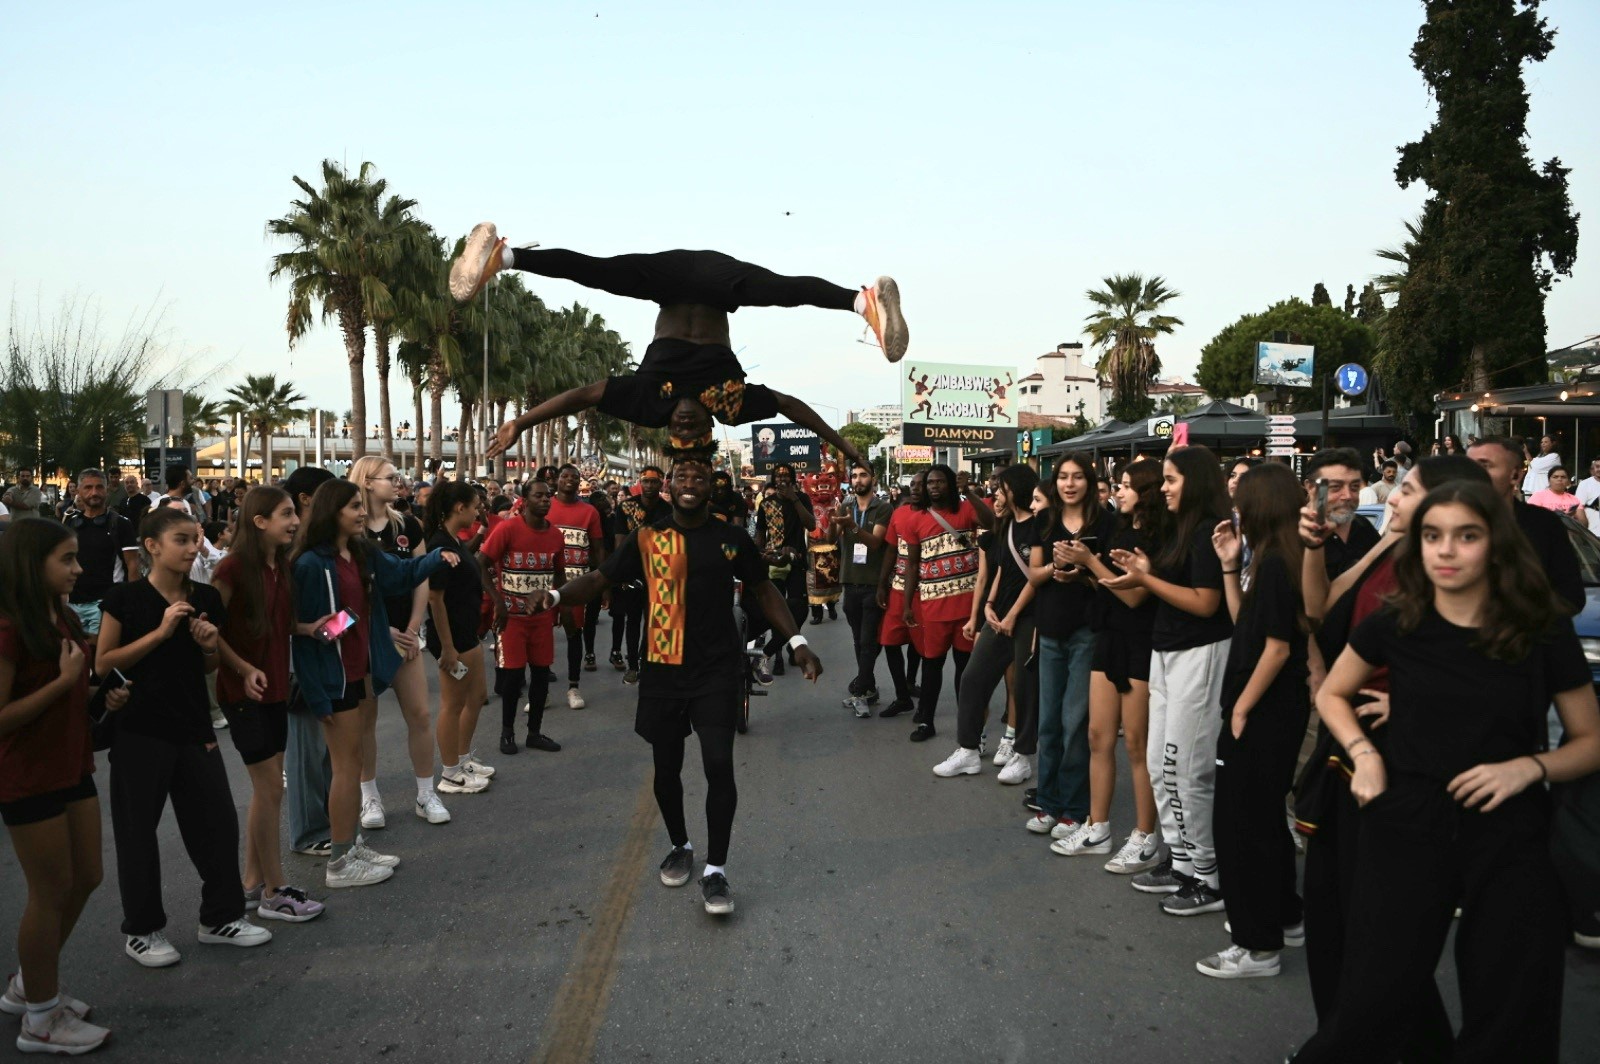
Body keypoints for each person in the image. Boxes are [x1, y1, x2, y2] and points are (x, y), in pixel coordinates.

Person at [1291, 481, 1600, 1062]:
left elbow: (1590, 742)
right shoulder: (1397, 619)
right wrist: (1364, 755)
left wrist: (1528, 769)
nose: (1447, 551)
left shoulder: (1539, 626)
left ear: (1496, 544)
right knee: (1372, 996)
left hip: (1510, 828)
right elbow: (1332, 694)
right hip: (1407, 820)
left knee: (1513, 1009)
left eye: (1467, 536)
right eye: (1433, 536)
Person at [531, 456, 823, 915]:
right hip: (664, 668)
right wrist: (552, 596)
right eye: (682, 477)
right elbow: (598, 578)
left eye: (700, 478)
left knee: (718, 766)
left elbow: (764, 589)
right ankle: (680, 844)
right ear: (668, 486)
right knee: (666, 770)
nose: (691, 484)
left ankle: (717, 870)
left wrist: (797, 641)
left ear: (712, 486)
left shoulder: (731, 538)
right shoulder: (649, 537)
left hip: (716, 670)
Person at [1295, 454, 1490, 1049]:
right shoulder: (1389, 551)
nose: (1390, 497)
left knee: (1380, 940)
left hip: (1408, 777)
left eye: (1404, 489)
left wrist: (1405, 702)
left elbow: (1487, 676)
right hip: (1352, 756)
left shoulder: (1458, 577)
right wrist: (1317, 548)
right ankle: (1342, 1034)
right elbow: (1320, 612)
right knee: (1335, 920)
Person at [469, 231, 891, 462]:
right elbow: (790, 405)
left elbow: (582, 396)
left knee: (600, 272)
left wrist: (520, 424)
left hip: (668, 279)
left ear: (669, 429)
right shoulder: (729, 405)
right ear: (709, 429)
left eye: (679, 432)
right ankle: (862, 302)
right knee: (778, 289)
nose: (686, 425)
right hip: (715, 279)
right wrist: (845, 446)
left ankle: (505, 258)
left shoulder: (649, 404)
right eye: (695, 431)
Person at [97, 506, 272, 967]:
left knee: (215, 824)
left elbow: (208, 666)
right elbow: (102, 664)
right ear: (152, 546)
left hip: (193, 726)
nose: (193, 547)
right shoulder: (125, 599)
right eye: (181, 540)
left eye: (195, 539)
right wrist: (160, 632)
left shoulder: (207, 597)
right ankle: (142, 930)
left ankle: (220, 918)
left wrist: (210, 644)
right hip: (138, 730)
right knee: (138, 835)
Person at [290, 480, 456, 889]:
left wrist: (435, 558)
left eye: (359, 505)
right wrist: (317, 691)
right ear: (332, 512)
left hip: (360, 670)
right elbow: (295, 630)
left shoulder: (360, 551)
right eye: (351, 506)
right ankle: (341, 863)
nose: (360, 511)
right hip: (335, 678)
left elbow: (400, 575)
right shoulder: (311, 564)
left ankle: (350, 845)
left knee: (350, 762)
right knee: (346, 768)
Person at [1, 519, 125, 1053]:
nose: (78, 569)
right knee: (49, 890)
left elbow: (77, 684)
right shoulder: (9, 628)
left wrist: (97, 693)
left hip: (73, 764)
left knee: (88, 877)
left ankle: (32, 983)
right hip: (28, 774)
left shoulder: (65, 615)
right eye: (66, 559)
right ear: (32, 565)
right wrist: (62, 684)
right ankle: (41, 1018)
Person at [1101, 445, 1232, 913]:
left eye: (1171, 479)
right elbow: (1161, 584)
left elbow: (1205, 603)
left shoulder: (1207, 533)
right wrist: (1135, 575)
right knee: (1159, 764)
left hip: (1199, 654)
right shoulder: (1181, 529)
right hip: (1166, 652)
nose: (1164, 488)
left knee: (1186, 769)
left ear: (1193, 482)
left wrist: (1145, 579)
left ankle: (1209, 877)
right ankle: (1181, 863)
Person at [1196, 462, 1309, 979]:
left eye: (1242, 497)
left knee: (1241, 828)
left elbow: (1278, 648)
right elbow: (1246, 622)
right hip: (1269, 709)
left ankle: (1255, 944)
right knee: (1264, 821)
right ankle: (1284, 917)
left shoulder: (1280, 562)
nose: (1235, 507)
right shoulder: (1267, 558)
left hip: (1262, 711)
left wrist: (1240, 708)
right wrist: (1227, 564)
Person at [211, 488, 325, 924]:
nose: (295, 520)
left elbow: (276, 622)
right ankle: (276, 891)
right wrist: (243, 669)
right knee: (270, 788)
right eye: (285, 514)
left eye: (295, 513)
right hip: (244, 696)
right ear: (259, 520)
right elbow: (210, 631)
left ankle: (250, 884)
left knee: (268, 791)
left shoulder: (281, 567)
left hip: (276, 690)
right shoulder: (233, 567)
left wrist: (308, 628)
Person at [350, 455, 454, 830]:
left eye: (398, 477)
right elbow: (353, 592)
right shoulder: (350, 529)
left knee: (420, 715)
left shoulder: (407, 523)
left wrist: (412, 626)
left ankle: (426, 793)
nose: (399, 482)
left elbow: (420, 576)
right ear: (367, 481)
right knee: (366, 720)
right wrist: (382, 631)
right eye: (390, 477)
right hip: (367, 639)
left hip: (406, 636)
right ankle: (369, 798)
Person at [1032, 454, 1126, 855]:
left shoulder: (1107, 522)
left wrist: (1083, 571)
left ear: (1089, 481)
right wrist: (1055, 567)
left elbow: (1114, 580)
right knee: (1048, 721)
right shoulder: (1045, 521)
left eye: (1077, 477)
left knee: (1076, 722)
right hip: (1050, 628)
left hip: (1088, 629)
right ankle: (1049, 803)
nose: (1069, 484)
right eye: (1062, 477)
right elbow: (1033, 574)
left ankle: (1074, 808)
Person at [934, 463, 1042, 783]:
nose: (997, 491)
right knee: (972, 679)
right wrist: (989, 608)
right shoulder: (1004, 526)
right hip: (998, 617)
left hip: (1029, 619)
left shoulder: (1039, 527)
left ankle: (1022, 756)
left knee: (1023, 689)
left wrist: (1012, 616)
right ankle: (968, 751)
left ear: (1016, 490)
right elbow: (998, 572)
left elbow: (1035, 578)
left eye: (1002, 487)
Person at [903, 465, 993, 741]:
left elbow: (991, 522)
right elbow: (912, 563)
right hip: (933, 606)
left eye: (940, 482)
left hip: (967, 607)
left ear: (951, 485)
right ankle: (926, 722)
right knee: (932, 668)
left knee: (965, 671)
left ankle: (967, 726)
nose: (933, 487)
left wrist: (970, 493)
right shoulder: (916, 519)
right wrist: (908, 603)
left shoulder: (966, 510)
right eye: (930, 482)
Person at [480, 479, 565, 756]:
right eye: (539, 496)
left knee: (541, 675)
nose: (545, 500)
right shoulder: (508, 529)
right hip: (511, 619)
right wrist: (498, 603)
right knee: (513, 678)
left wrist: (556, 603)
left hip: (541, 620)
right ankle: (507, 733)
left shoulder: (556, 535)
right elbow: (480, 564)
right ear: (524, 501)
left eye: (548, 496)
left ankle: (534, 732)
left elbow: (560, 578)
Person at [424, 481, 495, 788]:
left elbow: (467, 560)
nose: (479, 509)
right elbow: (434, 599)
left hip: (467, 631)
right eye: (475, 505)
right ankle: (450, 772)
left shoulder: (453, 540)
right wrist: (448, 648)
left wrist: (481, 532)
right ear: (459, 507)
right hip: (452, 636)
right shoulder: (439, 544)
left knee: (477, 697)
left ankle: (463, 757)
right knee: (453, 704)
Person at [281, 466, 336, 858]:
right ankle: (310, 832)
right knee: (305, 755)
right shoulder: (290, 551)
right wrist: (307, 630)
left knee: (328, 752)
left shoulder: (323, 546)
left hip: (329, 659)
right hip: (297, 665)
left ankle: (332, 822)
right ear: (306, 500)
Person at [1467, 436, 1584, 611]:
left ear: (1515, 475)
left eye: (1485, 466)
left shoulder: (1544, 525)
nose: (1473, 473)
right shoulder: (1445, 522)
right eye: (1468, 467)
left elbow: (1571, 595)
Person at [835, 462, 892, 717]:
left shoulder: (883, 507)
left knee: (868, 641)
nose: (858, 480)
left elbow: (876, 542)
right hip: (849, 581)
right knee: (859, 641)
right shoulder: (846, 506)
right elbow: (829, 539)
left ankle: (860, 692)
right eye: (854, 476)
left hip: (872, 585)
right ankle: (868, 688)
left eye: (863, 475)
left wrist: (853, 526)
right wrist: (833, 519)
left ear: (873, 478)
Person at [548, 464, 606, 709]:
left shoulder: (590, 512)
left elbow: (598, 550)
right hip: (544, 582)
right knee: (542, 636)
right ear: (557, 480)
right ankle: (541, 690)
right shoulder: (544, 504)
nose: (569, 480)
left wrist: (604, 585)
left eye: (574, 477)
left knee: (574, 635)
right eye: (565, 476)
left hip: (577, 584)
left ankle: (573, 687)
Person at [59, 469, 140, 639]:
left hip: (106, 603)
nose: (94, 492)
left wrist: (132, 603)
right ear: (79, 491)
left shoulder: (120, 524)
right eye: (88, 487)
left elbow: (133, 565)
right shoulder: (71, 523)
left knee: (99, 657)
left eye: (99, 487)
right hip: (72, 604)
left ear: (106, 490)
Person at [754, 463, 816, 678]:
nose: (781, 480)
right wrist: (760, 554)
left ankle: (772, 650)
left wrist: (794, 498)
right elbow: (760, 534)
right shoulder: (766, 504)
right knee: (776, 612)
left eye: (786, 476)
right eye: (778, 476)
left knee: (799, 609)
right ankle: (777, 656)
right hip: (774, 563)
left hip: (797, 562)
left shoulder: (802, 499)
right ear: (772, 479)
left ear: (793, 478)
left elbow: (811, 525)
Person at [610, 467, 671, 681]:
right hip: (631, 571)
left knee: (654, 621)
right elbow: (619, 540)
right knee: (633, 619)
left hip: (659, 572)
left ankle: (648, 663)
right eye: (646, 481)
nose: (649, 486)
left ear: (661, 483)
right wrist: (619, 572)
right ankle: (633, 665)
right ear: (640, 482)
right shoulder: (626, 507)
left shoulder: (668, 510)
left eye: (654, 482)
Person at [874, 471, 925, 718]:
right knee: (890, 642)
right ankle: (902, 696)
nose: (914, 488)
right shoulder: (900, 513)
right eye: (912, 484)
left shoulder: (936, 514)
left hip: (925, 591)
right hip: (898, 588)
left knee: (923, 646)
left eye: (920, 484)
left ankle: (917, 691)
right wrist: (882, 583)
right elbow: (891, 550)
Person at [1302, 448, 1379, 581]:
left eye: (1355, 487)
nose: (1347, 496)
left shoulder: (1363, 528)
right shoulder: (1287, 540)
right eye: (1335, 487)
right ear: (1310, 487)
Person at [1575, 457, 1600, 534]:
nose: (1599, 469)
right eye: (1597, 466)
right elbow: (1578, 508)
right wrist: (1585, 529)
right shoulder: (1585, 484)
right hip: (1593, 533)